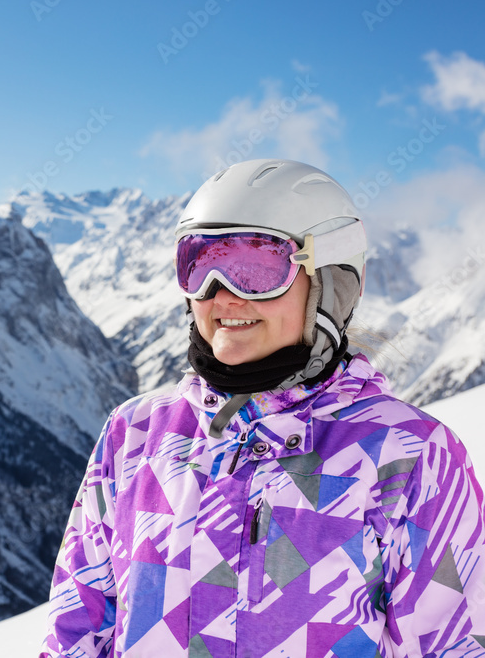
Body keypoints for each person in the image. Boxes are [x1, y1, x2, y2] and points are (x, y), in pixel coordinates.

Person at [40, 158, 485, 657]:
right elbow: (76, 634)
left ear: (331, 284)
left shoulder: (408, 456)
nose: (223, 295)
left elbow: (452, 644)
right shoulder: (137, 434)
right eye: (200, 264)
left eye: (258, 267)